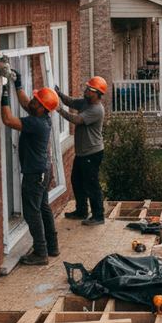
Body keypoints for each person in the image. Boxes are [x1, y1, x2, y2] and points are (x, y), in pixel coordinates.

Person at [0, 72, 59, 266]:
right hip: (43, 171)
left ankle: (41, 252)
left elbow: (8, 120)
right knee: (43, 207)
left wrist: (4, 93)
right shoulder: (42, 116)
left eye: (36, 100)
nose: (32, 101)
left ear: (42, 107)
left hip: (35, 175)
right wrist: (17, 85)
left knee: (32, 213)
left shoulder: (37, 123)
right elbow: (26, 104)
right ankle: (52, 246)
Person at [56, 76, 107, 226]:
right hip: (82, 153)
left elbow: (77, 120)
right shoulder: (85, 102)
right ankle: (81, 211)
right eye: (87, 88)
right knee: (76, 181)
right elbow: (71, 102)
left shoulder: (96, 110)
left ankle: (98, 216)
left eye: (90, 89)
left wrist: (59, 110)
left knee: (92, 184)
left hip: (92, 153)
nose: (86, 91)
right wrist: (59, 94)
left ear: (97, 94)